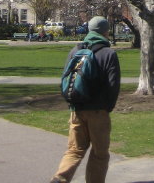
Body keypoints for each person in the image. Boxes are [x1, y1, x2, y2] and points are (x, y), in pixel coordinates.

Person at [49, 16, 121, 183]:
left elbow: (65, 78)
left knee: (74, 150)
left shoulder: (75, 51)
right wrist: (107, 107)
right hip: (98, 110)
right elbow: (113, 85)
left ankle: (60, 178)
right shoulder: (109, 54)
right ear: (106, 31)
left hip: (76, 109)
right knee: (99, 153)